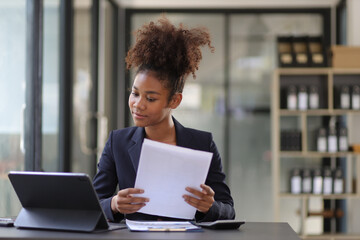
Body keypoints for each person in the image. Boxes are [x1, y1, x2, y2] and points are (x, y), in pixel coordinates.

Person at [93, 16, 235, 222]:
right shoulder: (118, 142)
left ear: (175, 101)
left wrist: (209, 207)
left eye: (150, 98)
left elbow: (229, 211)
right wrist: (113, 204)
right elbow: (95, 204)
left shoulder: (203, 144)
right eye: (135, 93)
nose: (138, 104)